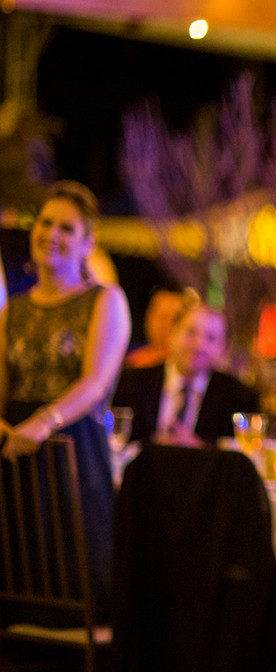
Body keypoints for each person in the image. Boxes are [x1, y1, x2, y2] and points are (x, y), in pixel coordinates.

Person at [0, 181, 132, 616]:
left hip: (73, 453)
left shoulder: (105, 301)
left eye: (66, 227)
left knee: (73, 593)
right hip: (14, 458)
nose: (51, 233)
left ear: (87, 243)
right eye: (45, 222)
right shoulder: (11, 310)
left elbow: (96, 383)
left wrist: (44, 421)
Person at [116, 300, 260, 447]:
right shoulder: (130, 383)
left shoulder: (239, 398)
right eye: (191, 333)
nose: (198, 345)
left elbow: (240, 458)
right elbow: (113, 441)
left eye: (211, 338)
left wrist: (199, 449)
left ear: (223, 348)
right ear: (172, 334)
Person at [124, 287, 184, 368]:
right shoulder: (128, 357)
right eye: (162, 317)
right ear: (149, 316)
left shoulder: (180, 367)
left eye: (173, 319)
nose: (165, 324)